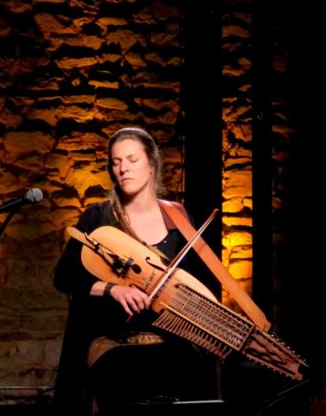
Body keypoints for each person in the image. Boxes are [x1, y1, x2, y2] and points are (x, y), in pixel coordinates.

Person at [53, 127, 220, 414]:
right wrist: (113, 289)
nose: (123, 169)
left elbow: (195, 286)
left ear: (152, 164)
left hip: (172, 344)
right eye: (116, 162)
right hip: (114, 344)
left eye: (131, 160)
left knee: (198, 373)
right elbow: (65, 275)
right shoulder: (99, 217)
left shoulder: (178, 219)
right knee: (125, 376)